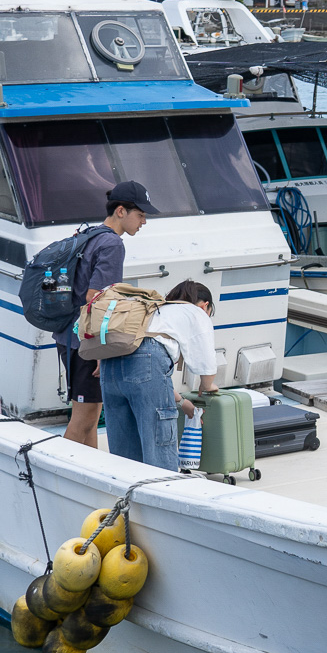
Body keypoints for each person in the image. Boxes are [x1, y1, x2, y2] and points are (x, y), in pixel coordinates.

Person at [57, 181, 157, 447]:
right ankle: (53, 478)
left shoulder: (90, 234)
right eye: (141, 215)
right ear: (121, 211)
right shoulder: (112, 244)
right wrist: (101, 351)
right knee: (85, 420)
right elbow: (97, 299)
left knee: (90, 417)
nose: (144, 222)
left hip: (68, 337)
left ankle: (88, 476)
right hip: (85, 343)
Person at [101, 279, 220, 468]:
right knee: (159, 442)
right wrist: (207, 385)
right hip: (146, 358)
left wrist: (182, 402)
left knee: (123, 447)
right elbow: (206, 362)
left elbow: (151, 384)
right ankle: (164, 491)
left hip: (110, 366)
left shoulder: (155, 309)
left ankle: (127, 494)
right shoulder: (195, 312)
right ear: (205, 306)